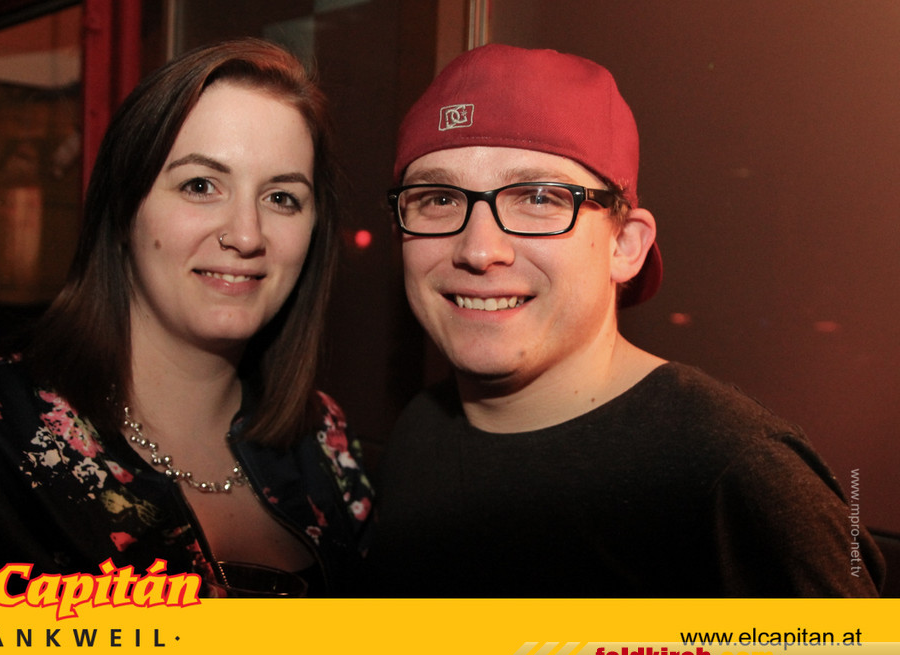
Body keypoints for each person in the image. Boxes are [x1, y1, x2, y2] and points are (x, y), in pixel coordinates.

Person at [368, 44, 884, 597]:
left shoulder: (737, 477)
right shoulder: (419, 433)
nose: (478, 249)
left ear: (625, 245)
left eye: (539, 197)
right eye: (438, 199)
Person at [0, 39, 373, 597]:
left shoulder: (324, 436)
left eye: (281, 198)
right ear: (123, 208)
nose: (246, 234)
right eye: (200, 186)